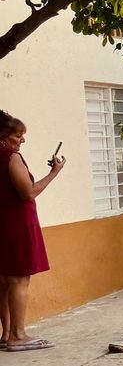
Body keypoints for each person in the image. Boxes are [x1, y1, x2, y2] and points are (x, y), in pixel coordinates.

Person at [0, 110, 62, 352]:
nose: (22, 140)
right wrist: (53, 173)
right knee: (19, 279)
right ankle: (18, 335)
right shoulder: (11, 157)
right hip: (16, 223)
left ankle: (6, 333)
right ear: (3, 137)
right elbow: (28, 192)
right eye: (18, 136)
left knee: (4, 279)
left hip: (3, 223)